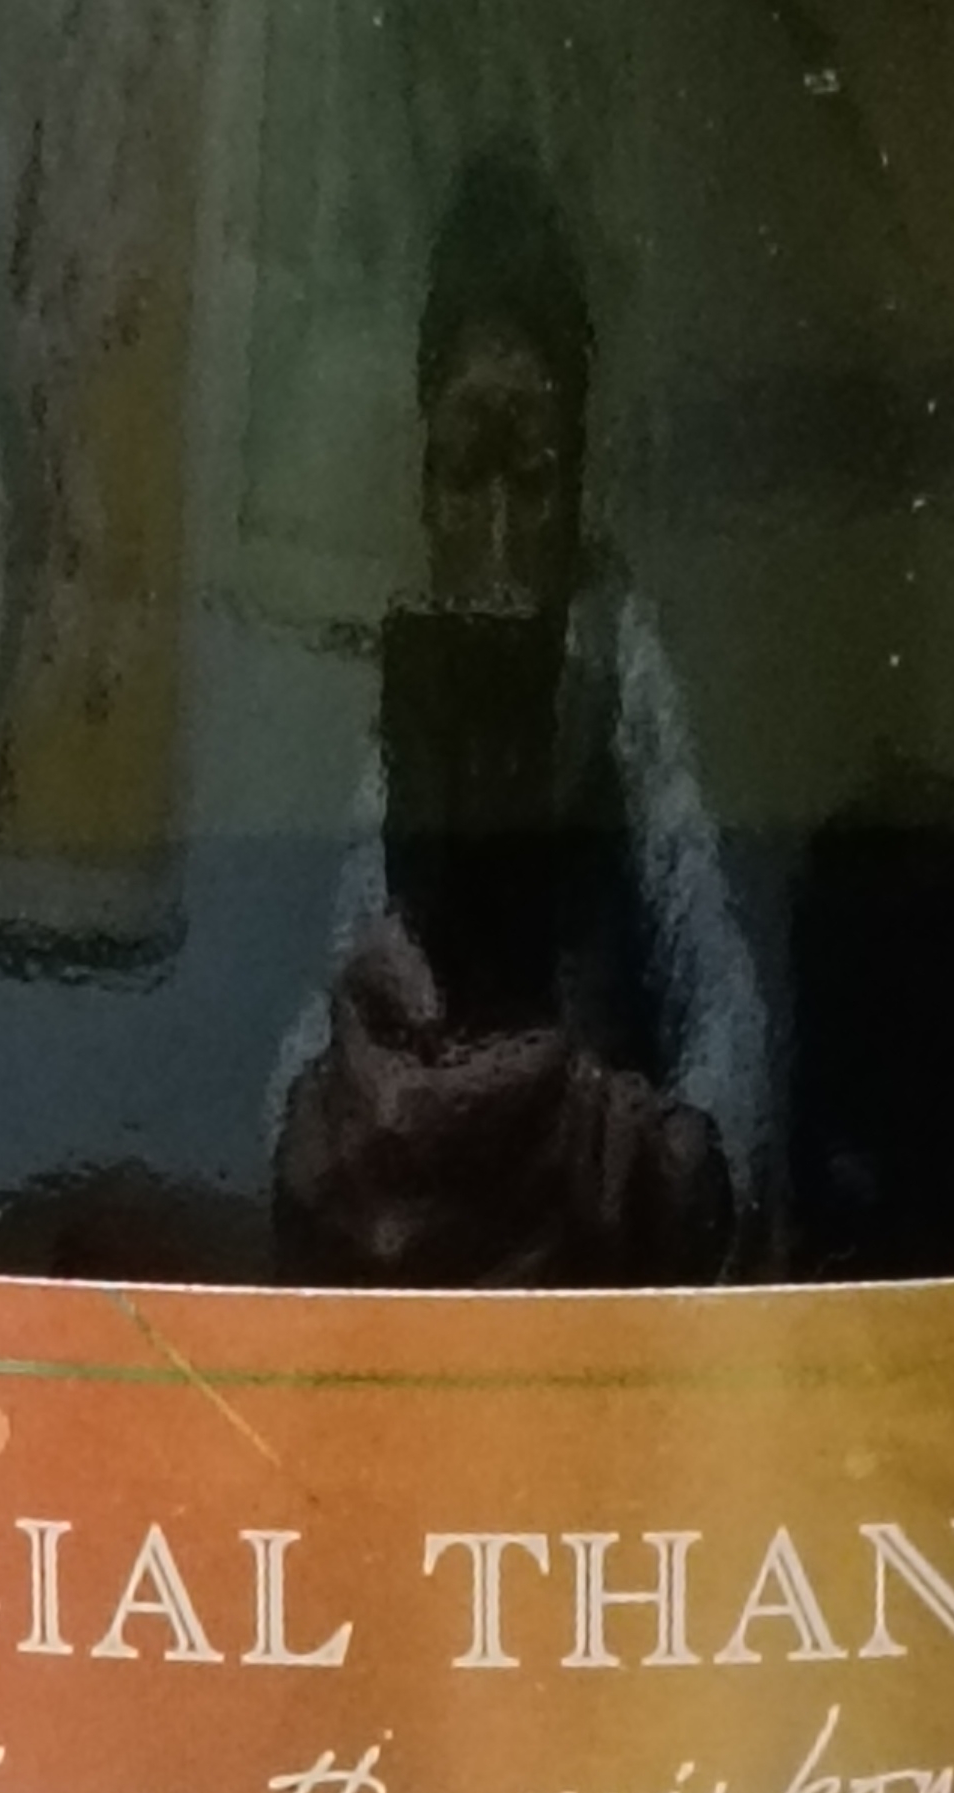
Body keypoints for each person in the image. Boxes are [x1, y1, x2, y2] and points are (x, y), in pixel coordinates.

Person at [274, 156, 767, 1288]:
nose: (497, 539)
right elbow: (339, 978)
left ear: (579, 480)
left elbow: (719, 985)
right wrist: (305, 1127)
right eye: (464, 475)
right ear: (423, 480)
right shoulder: (409, 690)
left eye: (534, 478)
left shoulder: (623, 665)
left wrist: (689, 1169)